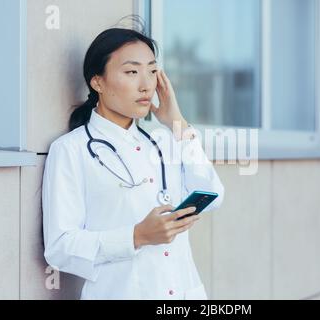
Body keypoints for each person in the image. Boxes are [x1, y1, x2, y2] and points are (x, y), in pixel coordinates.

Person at [42, 26, 224, 300]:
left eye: (152, 71)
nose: (146, 85)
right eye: (131, 72)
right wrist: (136, 236)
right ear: (97, 82)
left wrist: (178, 123)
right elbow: (59, 248)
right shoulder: (71, 150)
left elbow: (214, 194)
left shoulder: (165, 141)